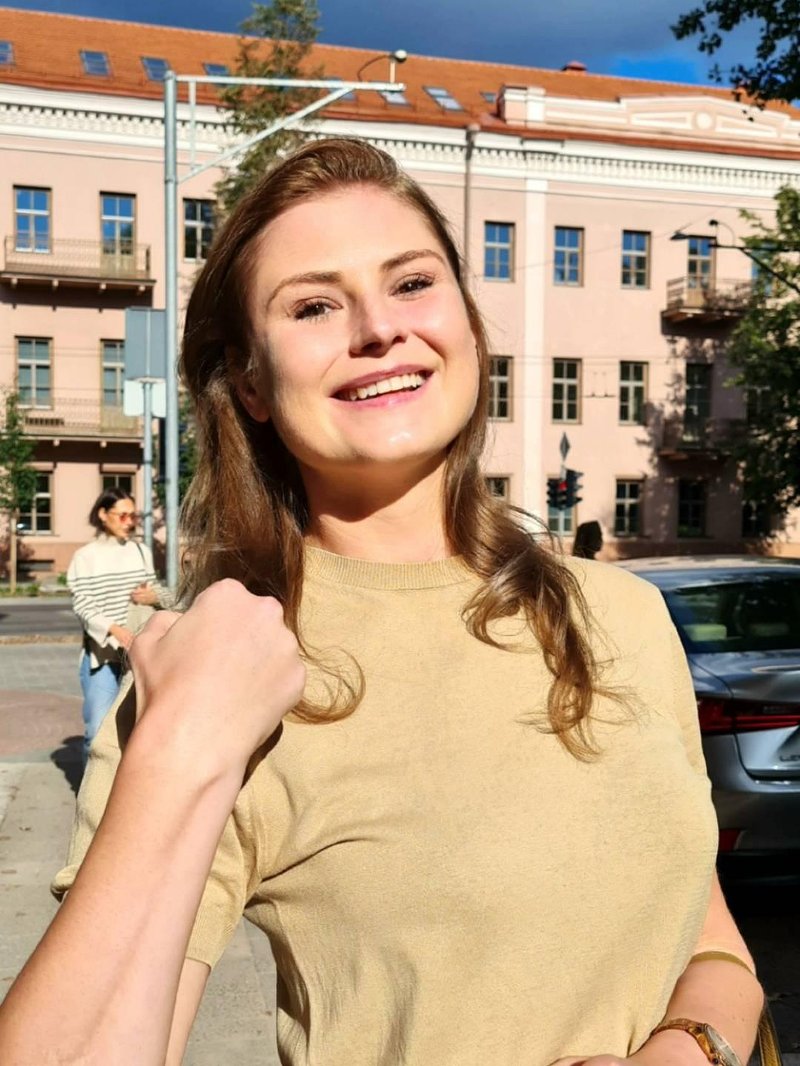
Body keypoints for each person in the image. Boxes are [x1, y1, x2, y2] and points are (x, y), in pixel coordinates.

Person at [0, 139, 763, 1066]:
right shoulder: (224, 668)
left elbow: (709, 936)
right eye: (314, 306)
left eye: (411, 283)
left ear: (467, 324)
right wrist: (181, 748)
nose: (378, 329)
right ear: (250, 382)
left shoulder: (622, 615)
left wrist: (685, 1052)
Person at [66, 486, 167, 765]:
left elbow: (151, 590)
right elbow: (83, 605)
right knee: (97, 732)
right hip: (102, 656)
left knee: (136, 732)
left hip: (138, 653)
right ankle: (92, 790)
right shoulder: (85, 557)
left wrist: (154, 596)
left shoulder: (140, 551)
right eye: (122, 516)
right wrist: (115, 629)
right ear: (103, 514)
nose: (129, 522)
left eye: (133, 516)